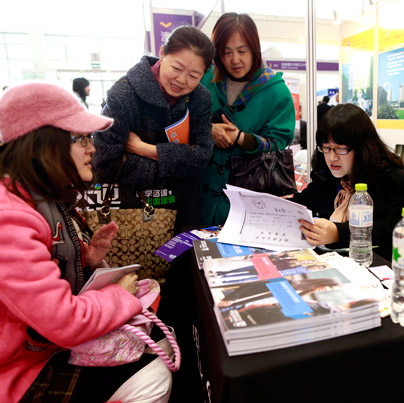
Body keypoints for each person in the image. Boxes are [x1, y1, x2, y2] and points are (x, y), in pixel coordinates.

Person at [0, 83, 172, 402]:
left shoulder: (37, 197)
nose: (92, 148)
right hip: (23, 370)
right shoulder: (10, 218)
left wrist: (87, 260)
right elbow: (64, 322)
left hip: (43, 347)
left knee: (159, 339)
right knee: (155, 373)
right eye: (80, 138)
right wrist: (120, 295)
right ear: (40, 146)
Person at [92, 26, 215, 232]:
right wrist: (172, 165)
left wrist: (144, 149)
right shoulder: (123, 95)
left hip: (186, 208)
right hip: (135, 209)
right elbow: (105, 160)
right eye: (176, 68)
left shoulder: (200, 98)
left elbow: (203, 155)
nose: (182, 81)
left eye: (194, 76)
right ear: (162, 53)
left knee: (186, 261)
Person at [199, 12, 295, 225]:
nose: (235, 60)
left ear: (255, 48)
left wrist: (242, 138)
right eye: (226, 52)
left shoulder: (276, 92)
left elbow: (278, 144)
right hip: (199, 198)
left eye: (242, 51)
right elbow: (182, 119)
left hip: (251, 205)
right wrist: (207, 129)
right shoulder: (205, 79)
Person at [293, 103, 404, 259]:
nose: (332, 157)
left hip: (373, 262)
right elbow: (304, 202)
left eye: (341, 148)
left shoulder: (391, 179)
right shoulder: (326, 175)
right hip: (328, 260)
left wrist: (338, 232)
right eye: (326, 148)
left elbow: (390, 229)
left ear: (362, 147)